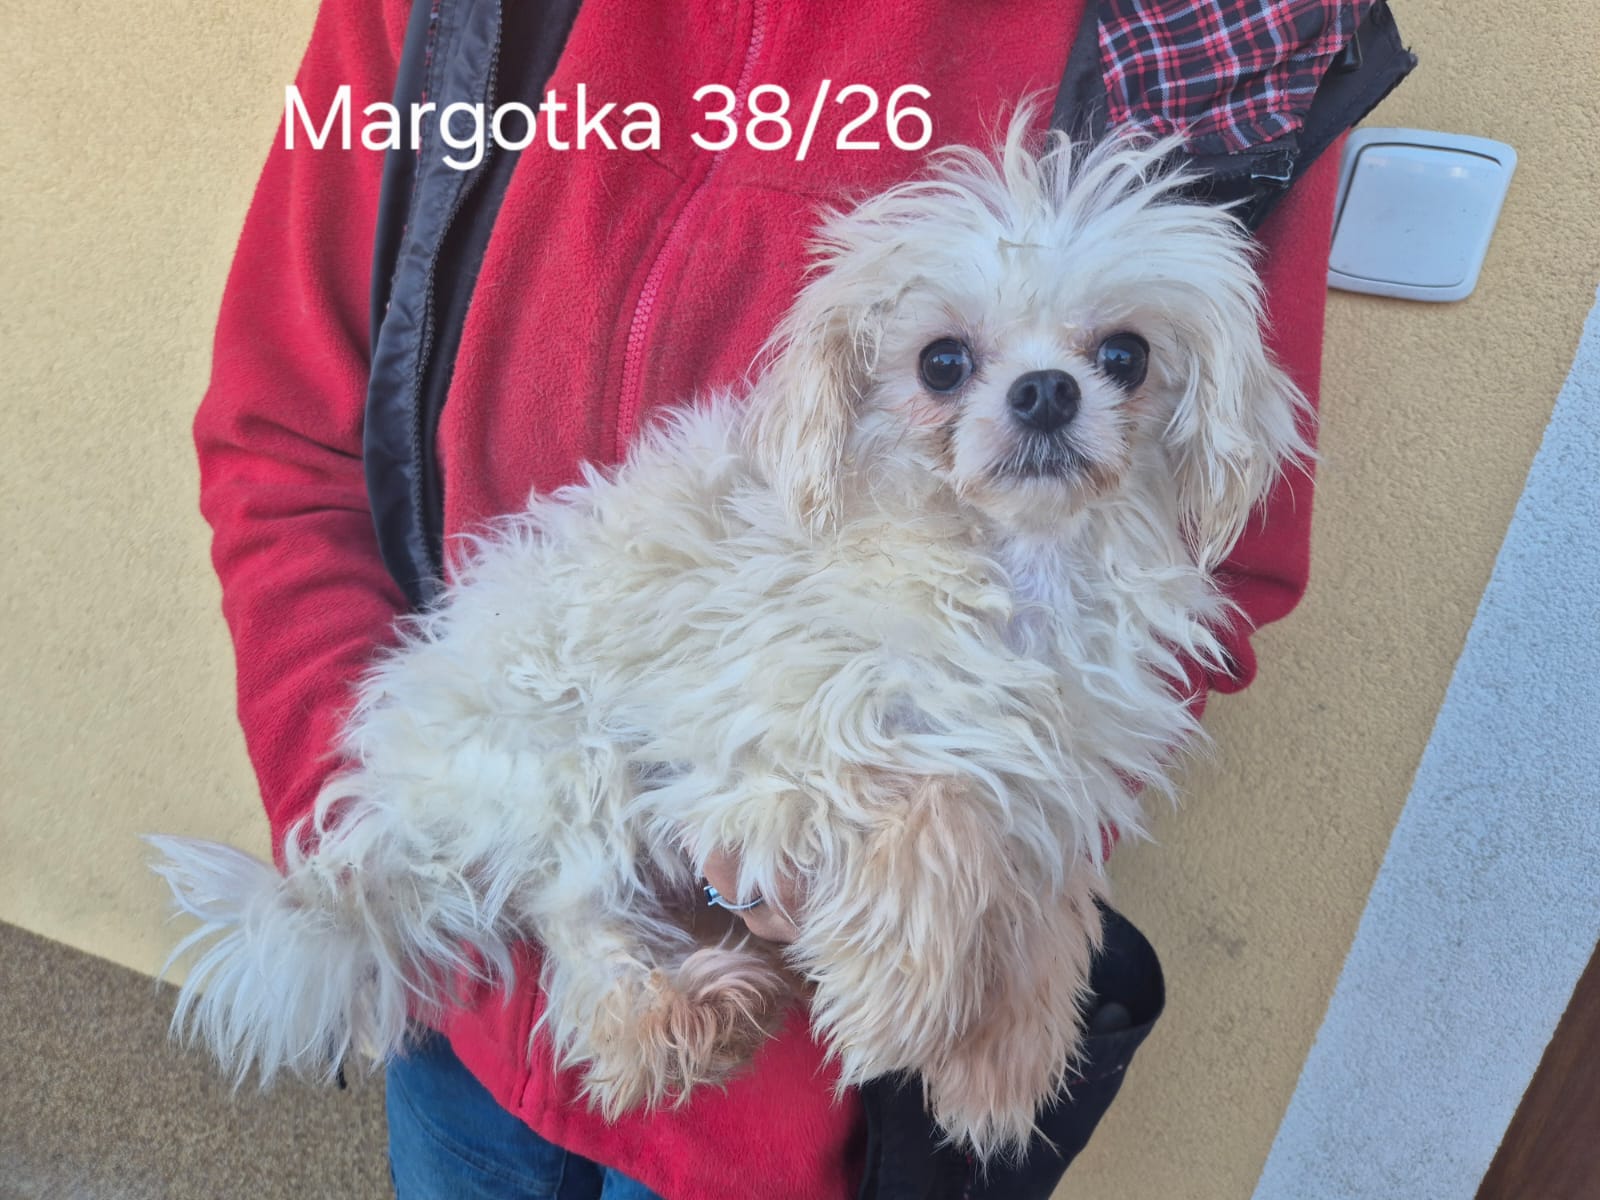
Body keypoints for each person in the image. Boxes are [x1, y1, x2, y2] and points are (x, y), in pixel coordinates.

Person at [192, 0, 1410, 1196]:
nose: (1045, 390)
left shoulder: (1236, 22)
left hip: (805, 1119)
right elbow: (283, 437)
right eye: (949, 365)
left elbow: (1219, 567)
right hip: (477, 997)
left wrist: (1008, 883)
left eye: (1117, 358)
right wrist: (363, 824)